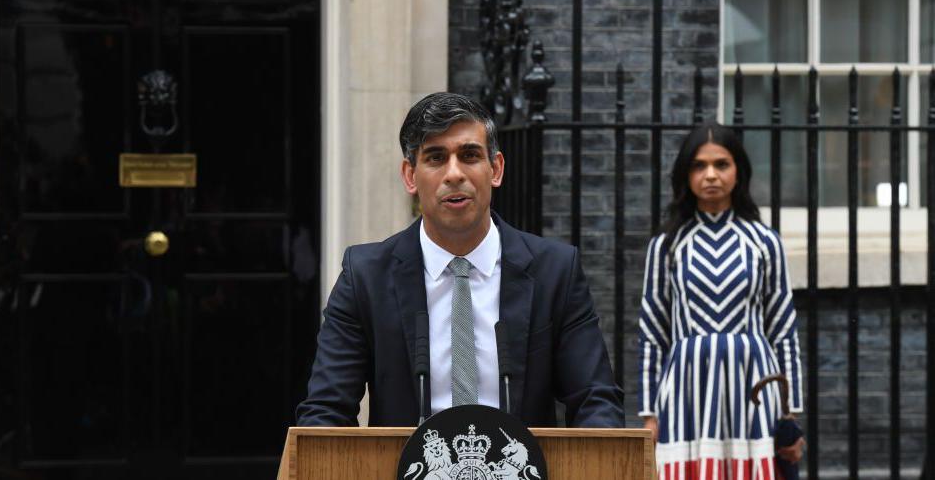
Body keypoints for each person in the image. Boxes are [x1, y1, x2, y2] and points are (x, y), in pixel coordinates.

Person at [297, 92, 624, 427]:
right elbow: (325, 411)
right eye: (436, 158)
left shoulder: (555, 272)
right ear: (410, 176)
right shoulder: (365, 276)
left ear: (495, 169)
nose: (454, 174)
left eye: (469, 155)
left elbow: (596, 401)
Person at [638, 122, 804, 478]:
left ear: (738, 171)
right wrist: (650, 414)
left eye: (721, 164)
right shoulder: (665, 245)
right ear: (685, 174)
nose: (710, 175)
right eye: (699, 165)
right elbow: (652, 333)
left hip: (754, 387)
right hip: (686, 387)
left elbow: (783, 328)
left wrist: (789, 413)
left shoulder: (764, 241)